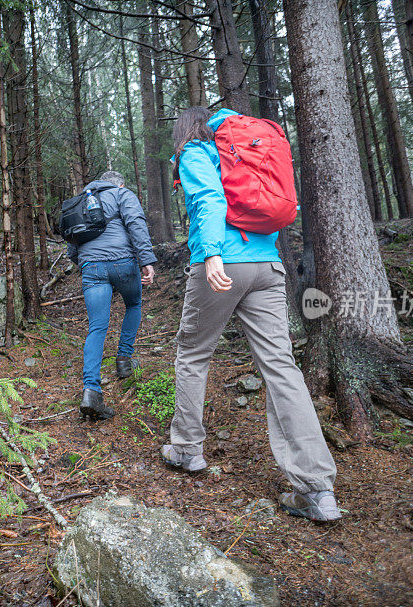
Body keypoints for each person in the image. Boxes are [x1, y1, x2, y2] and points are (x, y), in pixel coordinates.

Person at [162, 107, 341, 522]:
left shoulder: (197, 151)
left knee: (193, 354)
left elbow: (207, 200)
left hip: (224, 263)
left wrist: (210, 254)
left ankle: (187, 448)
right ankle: (317, 489)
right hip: (268, 265)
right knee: (281, 366)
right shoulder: (248, 147)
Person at [67, 171, 156, 420]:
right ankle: (124, 361)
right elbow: (136, 223)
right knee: (134, 303)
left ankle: (91, 391)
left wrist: (85, 262)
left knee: (96, 328)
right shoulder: (121, 194)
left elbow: (72, 242)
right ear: (120, 183)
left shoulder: (82, 200)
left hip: (91, 267)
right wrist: (146, 260)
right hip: (123, 262)